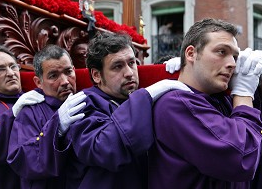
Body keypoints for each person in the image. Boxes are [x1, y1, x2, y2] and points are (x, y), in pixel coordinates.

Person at [149, 18, 262, 188]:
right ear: (191, 54)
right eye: (221, 52)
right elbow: (241, 158)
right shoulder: (174, 105)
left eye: (235, 56)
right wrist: (243, 94)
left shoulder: (222, 98)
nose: (232, 63)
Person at [56, 31, 191, 189]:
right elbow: (105, 150)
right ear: (97, 75)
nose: (129, 73)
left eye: (132, 63)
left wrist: (186, 70)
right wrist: (148, 95)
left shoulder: (135, 96)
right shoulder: (83, 104)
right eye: (117, 66)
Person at [7, 45, 86, 189]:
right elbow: (24, 159)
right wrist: (57, 128)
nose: (65, 81)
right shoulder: (29, 112)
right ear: (38, 82)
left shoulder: (87, 101)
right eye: (53, 76)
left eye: (68, 72)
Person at [0, 45, 44, 189]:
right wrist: (13, 113)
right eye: (0, 69)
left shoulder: (36, 99)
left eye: (13, 66)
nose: (10, 73)